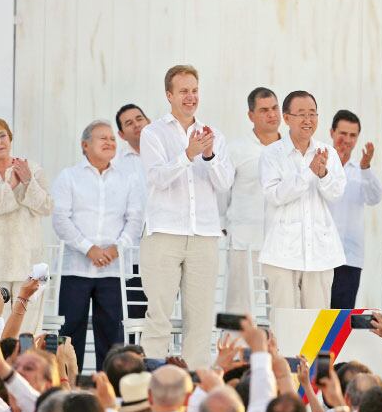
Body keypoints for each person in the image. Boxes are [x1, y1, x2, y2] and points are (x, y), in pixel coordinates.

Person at [139, 65, 234, 369]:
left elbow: (225, 183)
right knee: (159, 314)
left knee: (201, 317)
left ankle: (196, 382)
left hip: (204, 234)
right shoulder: (153, 133)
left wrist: (209, 155)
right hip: (164, 233)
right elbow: (157, 178)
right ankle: (152, 379)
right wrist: (187, 154)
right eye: (183, 91)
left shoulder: (214, 135)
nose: (190, 97)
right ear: (169, 95)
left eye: (194, 90)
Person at [51, 120, 144, 372]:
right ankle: (67, 383)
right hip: (75, 268)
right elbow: (60, 219)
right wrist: (88, 248)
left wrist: (117, 248)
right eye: (102, 138)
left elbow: (135, 220)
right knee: (69, 333)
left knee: (113, 334)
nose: (110, 142)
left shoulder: (127, 179)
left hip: (114, 269)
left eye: (112, 138)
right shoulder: (68, 176)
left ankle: (110, 385)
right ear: (85, 145)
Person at [258, 90, 346, 310]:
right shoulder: (271, 154)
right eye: (302, 114)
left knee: (318, 322)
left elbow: (336, 194)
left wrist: (323, 174)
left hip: (320, 252)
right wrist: (308, 173)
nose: (308, 120)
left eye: (312, 114)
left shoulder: (328, 153)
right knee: (284, 321)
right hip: (282, 253)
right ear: (287, 118)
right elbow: (275, 195)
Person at [0, 117, 52, 334]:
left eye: (2, 135)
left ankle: (25, 357)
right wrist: (10, 185)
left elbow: (46, 207)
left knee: (27, 328)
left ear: (10, 138)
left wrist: (28, 181)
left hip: (28, 256)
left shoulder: (31, 168)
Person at [225, 87, 282, 314]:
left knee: (282, 313)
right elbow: (222, 192)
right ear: (251, 115)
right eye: (264, 110)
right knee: (238, 312)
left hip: (282, 245)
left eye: (275, 108)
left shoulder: (290, 149)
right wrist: (225, 226)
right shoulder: (236, 150)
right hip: (245, 243)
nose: (272, 114)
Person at [328, 110, 382, 309]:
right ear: (332, 132)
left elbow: (374, 198)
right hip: (320, 254)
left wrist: (366, 167)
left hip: (349, 255)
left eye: (352, 135)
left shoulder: (362, 170)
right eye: (342, 133)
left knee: (341, 317)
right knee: (315, 315)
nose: (347, 140)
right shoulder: (319, 163)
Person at [114, 103, 150, 325]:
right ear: (121, 134)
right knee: (135, 319)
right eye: (129, 123)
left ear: (149, 121)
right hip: (133, 255)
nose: (136, 125)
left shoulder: (168, 154)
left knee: (161, 317)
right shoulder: (116, 164)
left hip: (166, 251)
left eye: (139, 119)